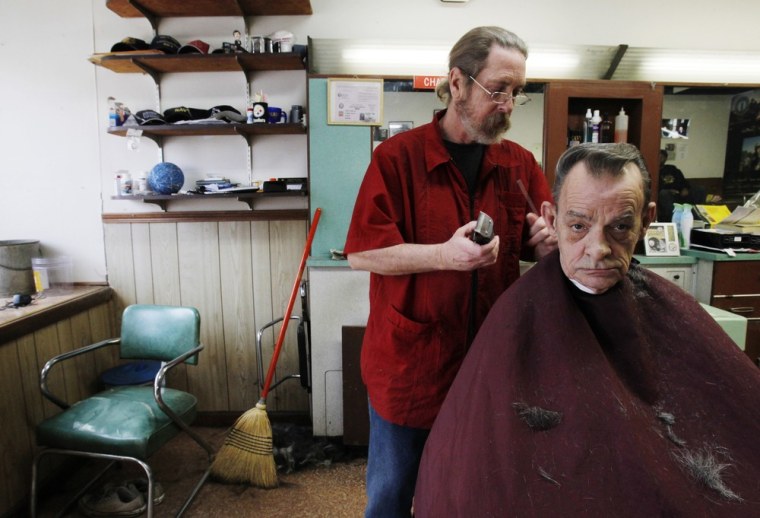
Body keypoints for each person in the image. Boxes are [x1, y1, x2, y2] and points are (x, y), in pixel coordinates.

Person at [414, 143, 760, 517]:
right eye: (578, 226)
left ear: (646, 220)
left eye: (620, 227)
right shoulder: (514, 319)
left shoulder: (670, 310)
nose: (597, 249)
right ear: (551, 217)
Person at [343, 26, 557, 517]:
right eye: (497, 89)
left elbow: (540, 245)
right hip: (411, 371)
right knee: (393, 497)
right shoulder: (397, 159)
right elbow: (364, 253)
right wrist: (442, 256)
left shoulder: (519, 164)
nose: (506, 104)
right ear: (457, 83)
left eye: (517, 93)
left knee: (475, 496)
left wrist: (547, 247)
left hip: (489, 368)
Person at [657, 149, 704, 221]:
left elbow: (683, 181)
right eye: (658, 157)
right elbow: (655, 187)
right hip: (668, 195)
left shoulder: (672, 168)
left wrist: (685, 188)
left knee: (700, 189)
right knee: (663, 193)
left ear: (665, 159)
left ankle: (698, 217)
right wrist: (669, 190)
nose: (660, 159)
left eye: (662, 157)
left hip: (680, 194)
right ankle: (674, 219)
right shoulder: (653, 170)